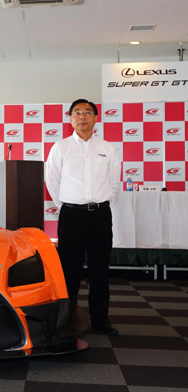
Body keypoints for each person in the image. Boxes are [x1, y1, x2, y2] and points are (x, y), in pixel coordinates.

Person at [45, 99, 121, 336]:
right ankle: (68, 320)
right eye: (77, 112)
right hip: (72, 216)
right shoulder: (61, 147)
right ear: (70, 118)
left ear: (95, 118)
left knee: (100, 270)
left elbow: (114, 182)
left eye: (88, 112)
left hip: (100, 215)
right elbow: (52, 181)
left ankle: (100, 321)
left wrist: (97, 204)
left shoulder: (107, 148)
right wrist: (68, 206)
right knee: (70, 271)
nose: (82, 116)